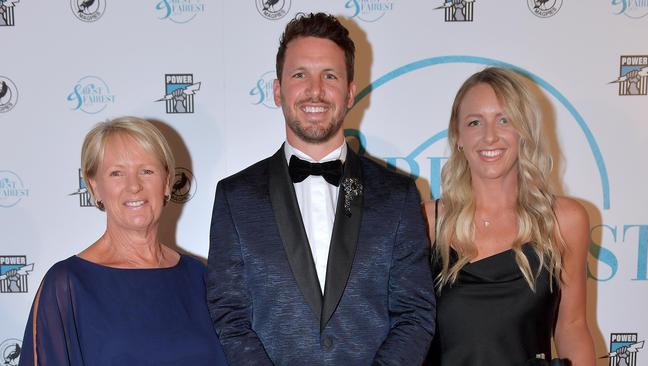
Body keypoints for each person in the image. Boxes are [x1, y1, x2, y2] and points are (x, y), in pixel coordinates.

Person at [207, 12, 435, 366]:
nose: (315, 90)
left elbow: (415, 315)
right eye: (300, 75)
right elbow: (229, 316)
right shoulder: (235, 198)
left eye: (329, 76)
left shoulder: (398, 196)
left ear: (350, 93)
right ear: (278, 90)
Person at [19, 117, 228, 366]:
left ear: (167, 182)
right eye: (117, 173)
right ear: (95, 186)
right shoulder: (68, 284)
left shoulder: (200, 277)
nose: (134, 186)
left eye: (146, 171)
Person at [423, 67, 596, 365]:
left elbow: (572, 327)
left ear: (524, 130)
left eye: (504, 120)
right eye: (475, 122)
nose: (489, 136)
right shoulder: (428, 222)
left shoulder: (564, 221)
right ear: (458, 136)